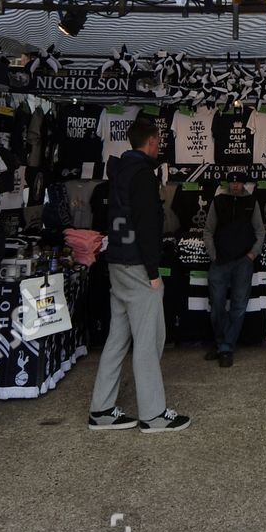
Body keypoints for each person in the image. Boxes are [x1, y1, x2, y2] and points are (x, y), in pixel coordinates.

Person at [87, 117, 190, 433]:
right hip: (136, 266)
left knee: (118, 338)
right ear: (153, 141)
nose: (159, 147)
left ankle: (101, 409)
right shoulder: (143, 175)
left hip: (117, 261)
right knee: (147, 341)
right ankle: (153, 414)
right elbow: (147, 227)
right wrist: (153, 271)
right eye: (159, 142)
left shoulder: (118, 171)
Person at [203, 172, 264, 368]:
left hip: (243, 262)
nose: (235, 185)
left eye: (238, 182)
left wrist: (252, 255)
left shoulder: (251, 202)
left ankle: (226, 348)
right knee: (217, 306)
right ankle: (222, 344)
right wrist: (213, 255)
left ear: (244, 183)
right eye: (232, 182)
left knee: (238, 307)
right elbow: (208, 231)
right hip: (219, 261)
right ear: (228, 183)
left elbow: (260, 231)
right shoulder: (218, 201)